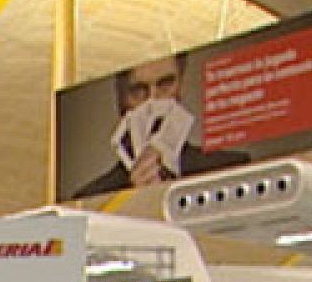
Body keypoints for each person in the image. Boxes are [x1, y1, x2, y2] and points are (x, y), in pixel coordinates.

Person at [70, 54, 248, 199]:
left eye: (165, 84)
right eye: (139, 90)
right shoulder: (90, 198)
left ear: (180, 87)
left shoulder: (231, 169)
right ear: (121, 97)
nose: (153, 101)